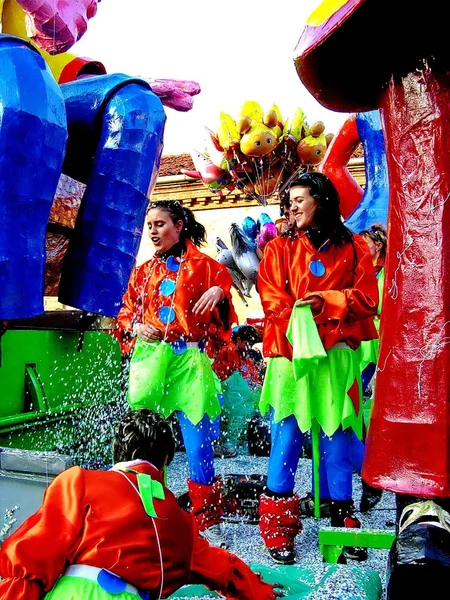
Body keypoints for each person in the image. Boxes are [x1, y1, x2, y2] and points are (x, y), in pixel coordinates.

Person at [0, 409, 280, 600]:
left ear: (115, 450)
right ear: (167, 460)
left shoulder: (79, 482)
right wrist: (259, 590)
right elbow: (221, 568)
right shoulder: (180, 523)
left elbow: (30, 557)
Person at [256, 172, 379, 564]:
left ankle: (341, 525)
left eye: (299, 199)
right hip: (291, 362)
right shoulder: (276, 250)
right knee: (286, 439)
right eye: (288, 200)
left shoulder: (356, 247)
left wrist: (327, 300)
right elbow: (272, 300)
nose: (291, 207)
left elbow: (367, 300)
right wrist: (304, 311)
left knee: (338, 443)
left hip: (338, 361)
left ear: (322, 201)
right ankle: (277, 527)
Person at [117, 200, 238, 549]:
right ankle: (147, 514)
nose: (153, 231)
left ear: (180, 225)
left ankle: (207, 518)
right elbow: (125, 315)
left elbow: (226, 308)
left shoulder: (206, 266)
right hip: (153, 360)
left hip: (190, 363)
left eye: (160, 224)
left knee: (198, 443)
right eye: (150, 225)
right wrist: (137, 326)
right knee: (143, 441)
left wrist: (220, 291)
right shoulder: (142, 273)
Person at [212, 325, 264, 455]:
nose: (249, 347)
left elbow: (254, 377)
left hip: (237, 396)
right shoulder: (228, 351)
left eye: (251, 344)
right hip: (227, 394)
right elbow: (220, 376)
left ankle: (236, 441)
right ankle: (228, 442)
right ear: (239, 339)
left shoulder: (243, 355)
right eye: (247, 343)